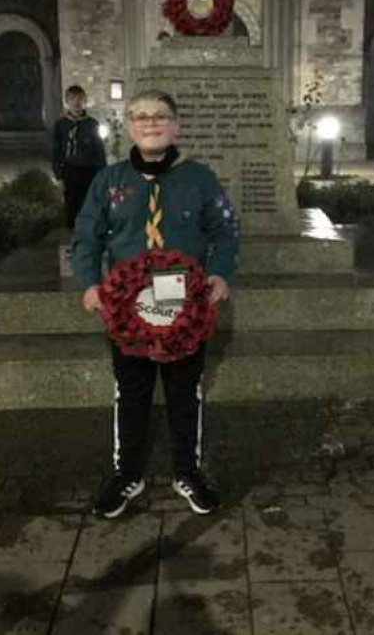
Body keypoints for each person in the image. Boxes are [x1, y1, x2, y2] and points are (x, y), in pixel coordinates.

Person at [71, 89, 240, 518]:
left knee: (185, 391)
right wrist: (90, 283)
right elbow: (86, 237)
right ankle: (127, 474)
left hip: (183, 304)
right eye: (141, 116)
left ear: (176, 125)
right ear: (129, 125)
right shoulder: (107, 181)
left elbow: (225, 228)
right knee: (132, 392)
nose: (150, 123)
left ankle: (188, 472)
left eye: (160, 116)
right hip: (126, 309)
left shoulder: (200, 178)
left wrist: (219, 272)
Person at [52, 85, 107, 229]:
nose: (76, 103)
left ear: (85, 101)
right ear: (66, 102)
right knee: (71, 205)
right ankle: (72, 239)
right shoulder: (60, 125)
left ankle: (89, 237)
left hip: (89, 171)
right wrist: (58, 176)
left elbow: (99, 152)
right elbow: (56, 151)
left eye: (80, 99)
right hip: (69, 170)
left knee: (90, 205)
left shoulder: (92, 124)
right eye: (72, 99)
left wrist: (102, 175)